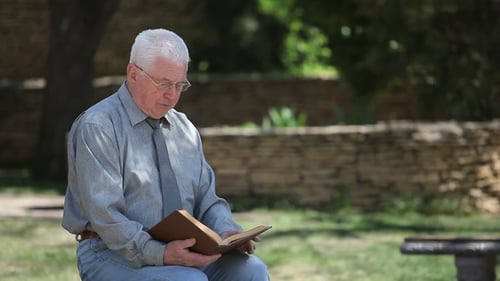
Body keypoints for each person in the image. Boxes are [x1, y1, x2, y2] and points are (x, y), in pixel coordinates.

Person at [62, 28, 270, 281]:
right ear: (133, 74)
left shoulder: (184, 129)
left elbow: (207, 199)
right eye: (163, 84)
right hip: (109, 253)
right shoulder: (99, 126)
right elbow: (106, 217)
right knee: (188, 280)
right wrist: (160, 253)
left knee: (252, 270)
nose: (172, 95)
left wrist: (226, 231)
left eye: (180, 85)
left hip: (183, 250)